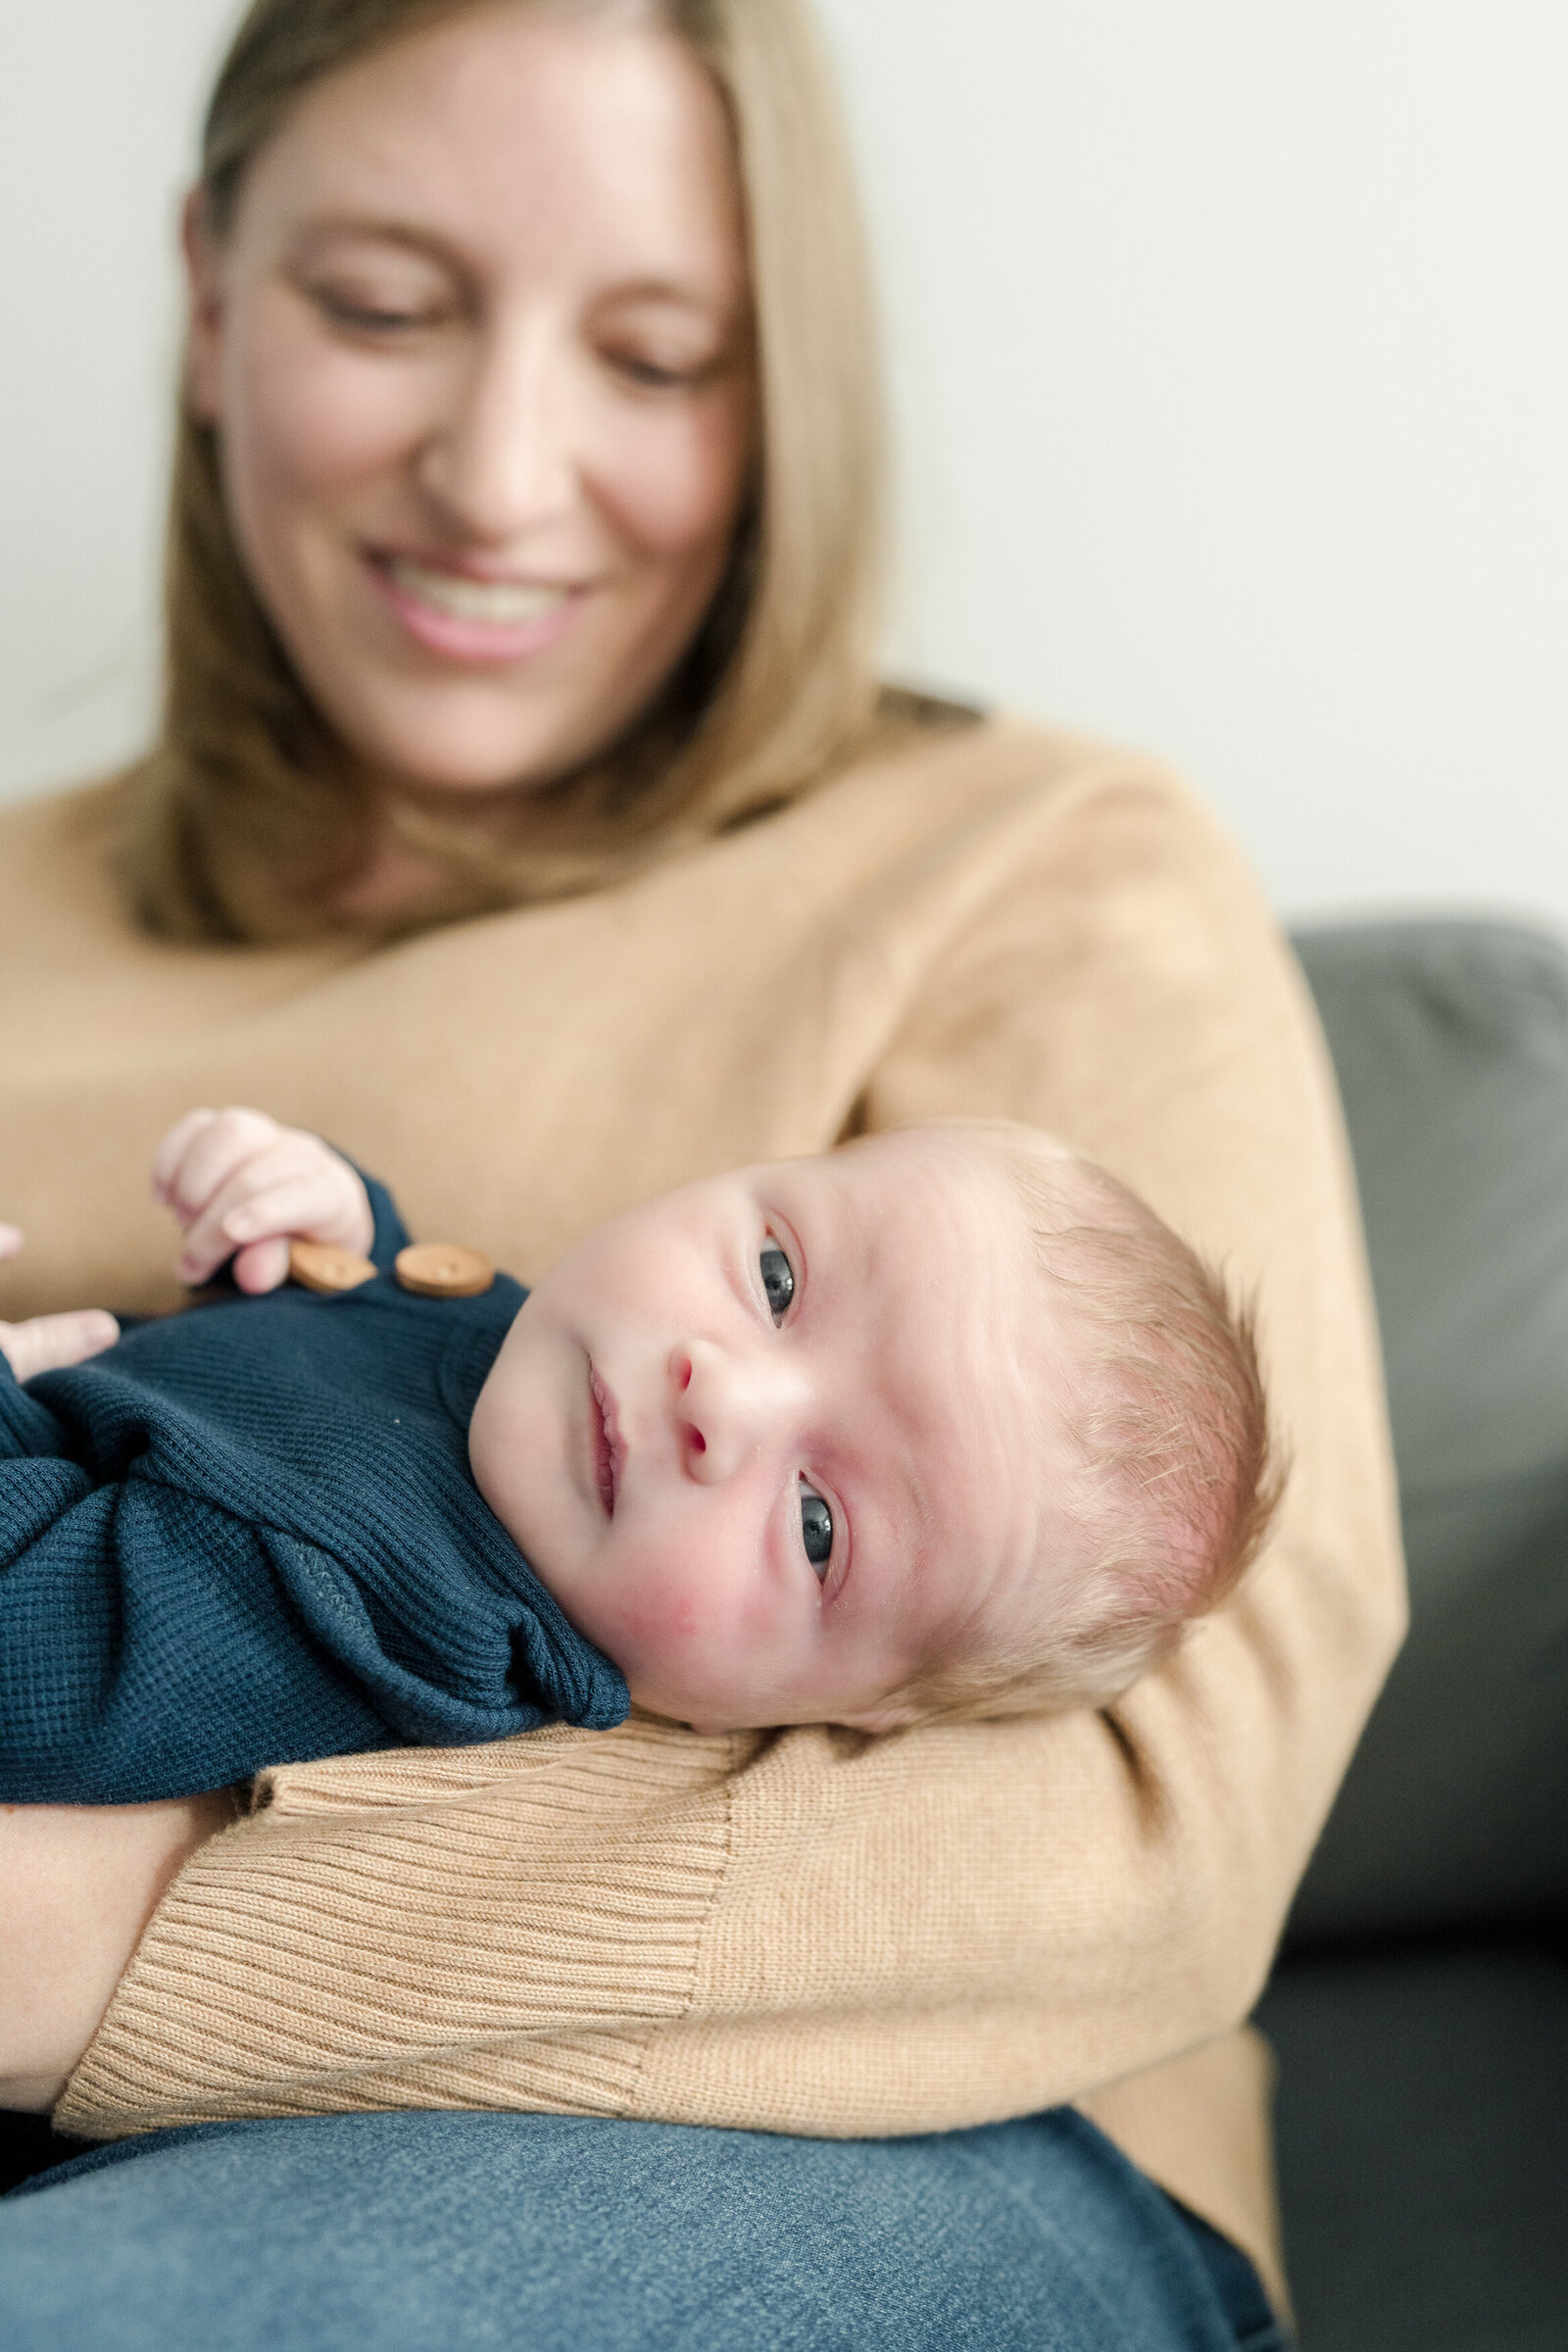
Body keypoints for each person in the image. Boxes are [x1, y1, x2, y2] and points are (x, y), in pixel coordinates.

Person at [0, 0, 1404, 2343]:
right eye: (381, 306)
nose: (502, 473)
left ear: (788, 400)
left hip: (860, 2150)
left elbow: (1163, 1786)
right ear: (210, 300)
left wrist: (82, 1931)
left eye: (655, 356)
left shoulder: (1031, 856)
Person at [0, 1105, 1275, 1801]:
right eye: (777, 1276)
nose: (718, 1393)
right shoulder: (542, 1382)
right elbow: (399, 1352)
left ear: (848, 1712)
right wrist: (335, 1232)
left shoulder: (366, 1606)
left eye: (819, 1523)